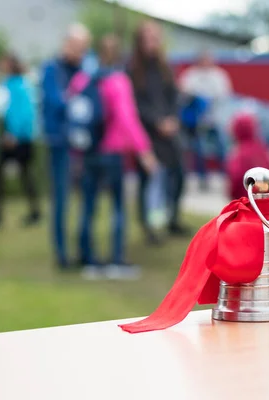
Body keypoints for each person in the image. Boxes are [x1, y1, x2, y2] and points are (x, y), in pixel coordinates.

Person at [70, 34, 158, 280]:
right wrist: (144, 150)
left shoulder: (82, 79)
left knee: (88, 206)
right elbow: (128, 119)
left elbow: (74, 112)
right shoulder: (119, 81)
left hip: (88, 152)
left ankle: (88, 259)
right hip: (113, 153)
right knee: (118, 206)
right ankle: (116, 259)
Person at [128, 20, 189, 244]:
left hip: (170, 132)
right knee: (149, 181)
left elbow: (174, 96)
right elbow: (135, 104)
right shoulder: (133, 70)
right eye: (149, 37)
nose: (154, 42)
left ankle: (172, 218)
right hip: (147, 135)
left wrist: (172, 119)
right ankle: (149, 227)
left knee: (179, 175)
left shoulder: (165, 67)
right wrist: (157, 122)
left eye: (156, 37)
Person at [41, 23, 91, 269]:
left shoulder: (84, 70)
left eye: (84, 47)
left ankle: (84, 250)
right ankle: (62, 254)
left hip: (83, 144)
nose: (80, 52)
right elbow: (55, 101)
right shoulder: (52, 69)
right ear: (66, 44)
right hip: (60, 143)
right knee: (61, 198)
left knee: (86, 199)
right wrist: (74, 98)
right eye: (77, 46)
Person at [0, 53, 40, 226]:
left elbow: (22, 113)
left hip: (16, 137)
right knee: (13, 174)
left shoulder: (17, 86)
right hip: (18, 136)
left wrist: (13, 134)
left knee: (16, 173)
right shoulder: (16, 84)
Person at [179, 49, 233, 191]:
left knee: (222, 148)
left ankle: (228, 178)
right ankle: (203, 179)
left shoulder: (219, 75)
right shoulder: (191, 75)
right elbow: (185, 93)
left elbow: (224, 95)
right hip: (197, 122)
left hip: (216, 120)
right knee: (199, 150)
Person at [227, 112, 269, 200]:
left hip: (244, 201)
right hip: (264, 199)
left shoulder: (239, 153)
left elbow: (235, 179)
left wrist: (233, 195)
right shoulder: (264, 149)